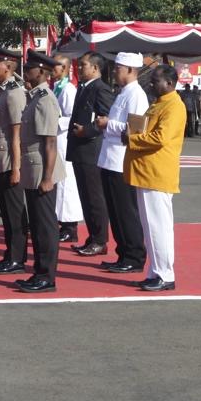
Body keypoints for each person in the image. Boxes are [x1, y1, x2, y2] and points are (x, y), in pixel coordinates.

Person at [125, 63, 185, 292]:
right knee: (150, 227)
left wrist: (131, 139)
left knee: (158, 227)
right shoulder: (159, 104)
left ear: (169, 83)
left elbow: (159, 138)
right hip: (147, 172)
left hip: (157, 173)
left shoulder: (174, 106)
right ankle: (155, 271)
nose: (151, 83)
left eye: (156, 80)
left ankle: (165, 274)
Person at [13, 51, 67, 293]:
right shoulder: (35, 96)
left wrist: (47, 177)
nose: (27, 71)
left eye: (31, 67)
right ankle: (39, 271)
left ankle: (47, 276)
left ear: (42, 72)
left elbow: (50, 143)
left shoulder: (45, 99)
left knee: (45, 226)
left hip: (42, 170)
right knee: (36, 224)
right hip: (33, 168)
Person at [96, 52, 149, 274]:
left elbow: (136, 129)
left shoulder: (136, 94)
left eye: (118, 68)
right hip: (109, 157)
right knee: (115, 211)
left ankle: (134, 256)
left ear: (129, 70)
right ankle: (123, 253)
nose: (115, 72)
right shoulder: (122, 93)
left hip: (122, 160)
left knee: (126, 211)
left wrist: (109, 124)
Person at [0, 48, 29, 274]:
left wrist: (17, 168)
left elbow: (17, 134)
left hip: (11, 161)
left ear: (9, 68)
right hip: (1, 159)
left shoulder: (14, 93)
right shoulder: (2, 92)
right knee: (7, 213)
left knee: (14, 212)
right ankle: (10, 255)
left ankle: (17, 258)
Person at [68, 51, 115, 258]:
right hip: (80, 149)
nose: (80, 68)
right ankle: (93, 237)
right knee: (85, 197)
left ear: (95, 68)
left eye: (84, 65)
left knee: (94, 197)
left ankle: (100, 240)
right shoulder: (84, 87)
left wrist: (86, 131)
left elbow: (107, 119)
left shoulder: (101, 88)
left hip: (92, 149)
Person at [52, 54, 83, 244]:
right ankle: (61, 222)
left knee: (66, 184)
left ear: (64, 69)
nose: (52, 70)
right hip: (56, 140)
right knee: (58, 182)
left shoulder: (69, 90)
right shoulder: (58, 87)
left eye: (55, 67)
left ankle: (70, 226)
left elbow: (70, 117)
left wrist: (52, 122)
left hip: (63, 139)